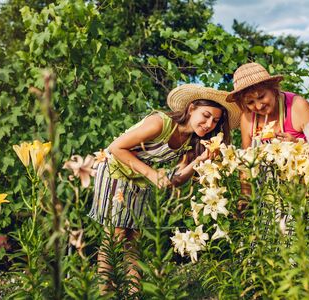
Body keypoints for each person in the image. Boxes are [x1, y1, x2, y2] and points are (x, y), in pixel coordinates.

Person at [88, 84, 241, 294]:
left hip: (140, 178)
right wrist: (151, 174)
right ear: (191, 108)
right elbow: (116, 148)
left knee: (133, 239)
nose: (208, 124)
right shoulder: (160, 123)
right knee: (116, 235)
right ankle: (104, 292)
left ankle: (134, 295)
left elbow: (175, 180)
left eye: (215, 121)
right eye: (205, 116)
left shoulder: (191, 141)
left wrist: (199, 160)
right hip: (114, 169)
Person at [226, 62, 309, 149]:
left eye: (261, 97)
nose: (258, 106)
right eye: (250, 102)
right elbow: (246, 163)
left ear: (273, 88)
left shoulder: (297, 106)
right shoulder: (247, 118)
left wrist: (299, 145)